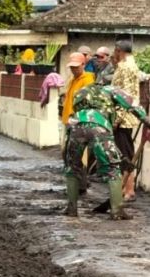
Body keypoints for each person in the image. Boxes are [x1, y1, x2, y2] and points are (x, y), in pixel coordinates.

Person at [64, 84, 149, 220]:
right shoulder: (111, 89)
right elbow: (133, 106)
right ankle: (117, 211)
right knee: (112, 169)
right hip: (99, 125)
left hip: (76, 126)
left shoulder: (81, 91)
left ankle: (71, 209)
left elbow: (76, 111)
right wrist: (146, 121)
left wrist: (120, 155)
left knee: (72, 167)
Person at [111, 40, 140, 201]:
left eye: (115, 51)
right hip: (126, 116)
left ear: (119, 50)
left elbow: (125, 94)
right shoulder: (129, 65)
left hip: (124, 118)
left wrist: (117, 119)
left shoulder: (126, 67)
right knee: (125, 151)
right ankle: (127, 188)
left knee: (125, 153)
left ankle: (129, 189)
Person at [61, 52, 95, 125]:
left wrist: (76, 119)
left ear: (83, 65)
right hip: (68, 120)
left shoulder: (88, 80)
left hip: (77, 121)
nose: (73, 69)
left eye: (76, 67)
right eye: (72, 67)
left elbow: (87, 102)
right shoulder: (72, 80)